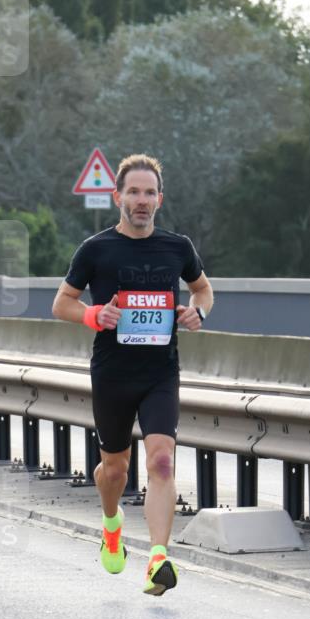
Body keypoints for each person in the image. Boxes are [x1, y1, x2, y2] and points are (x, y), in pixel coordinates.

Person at [52, 154, 214, 596]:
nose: (141, 201)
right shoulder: (96, 249)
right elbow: (61, 303)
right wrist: (94, 315)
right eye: (133, 192)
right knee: (114, 470)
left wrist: (197, 311)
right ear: (117, 196)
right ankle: (111, 525)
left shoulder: (177, 247)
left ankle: (157, 558)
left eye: (149, 193)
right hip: (112, 373)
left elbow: (202, 288)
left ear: (159, 199)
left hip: (160, 370)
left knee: (161, 459)